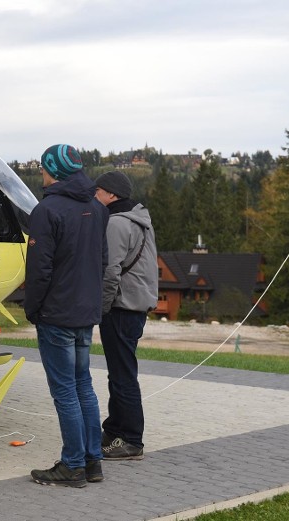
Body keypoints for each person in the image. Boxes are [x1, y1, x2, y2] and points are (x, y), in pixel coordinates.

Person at [24, 144, 109, 488]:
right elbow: (102, 260)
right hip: (85, 311)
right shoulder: (97, 207)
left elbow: (39, 268)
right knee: (83, 385)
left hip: (56, 312)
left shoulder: (47, 210)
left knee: (65, 391)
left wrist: (33, 308)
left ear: (55, 171)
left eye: (44, 169)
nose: (41, 175)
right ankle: (93, 461)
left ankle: (72, 464)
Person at [94, 170, 158, 461]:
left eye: (98, 192)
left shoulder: (116, 223)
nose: (95, 196)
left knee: (123, 376)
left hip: (121, 307)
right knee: (120, 372)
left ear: (110, 194)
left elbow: (110, 271)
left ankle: (131, 440)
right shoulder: (140, 220)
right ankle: (114, 430)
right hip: (135, 306)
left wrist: (101, 308)